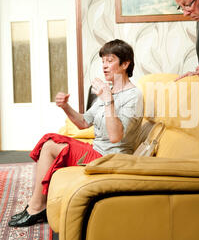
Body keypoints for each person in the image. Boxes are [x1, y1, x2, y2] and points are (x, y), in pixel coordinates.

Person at [9, 39, 143, 227]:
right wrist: (65, 106)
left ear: (125, 64)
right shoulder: (109, 91)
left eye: (110, 60)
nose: (104, 66)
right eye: (102, 61)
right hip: (96, 150)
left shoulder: (133, 95)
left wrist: (107, 100)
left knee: (50, 145)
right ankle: (38, 205)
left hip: (111, 158)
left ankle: (36, 207)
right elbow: (83, 122)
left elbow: (115, 137)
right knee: (49, 140)